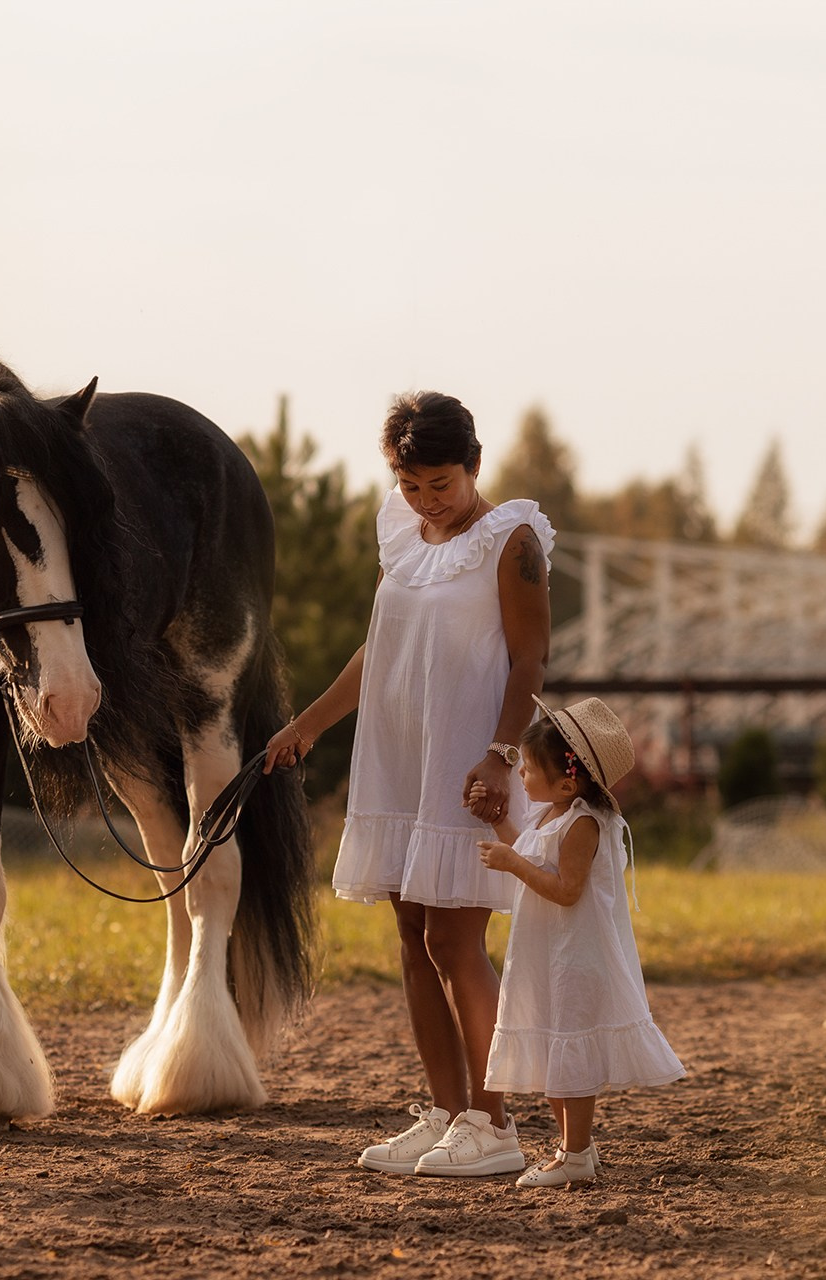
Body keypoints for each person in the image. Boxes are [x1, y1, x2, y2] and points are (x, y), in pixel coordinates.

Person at [264, 390, 554, 1177]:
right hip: (397, 756)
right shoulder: (402, 534)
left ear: (474, 465)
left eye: (441, 484)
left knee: (453, 939)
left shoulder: (511, 538)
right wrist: (310, 723)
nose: (427, 500)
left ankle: (493, 1128)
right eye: (411, 484)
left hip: (466, 759)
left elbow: (529, 658)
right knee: (411, 936)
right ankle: (447, 1112)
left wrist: (499, 754)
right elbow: (377, 651)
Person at [473, 695, 685, 1188]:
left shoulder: (583, 823)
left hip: (575, 956)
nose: (521, 777)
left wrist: (512, 865)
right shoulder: (553, 816)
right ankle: (576, 1151)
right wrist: (495, 822)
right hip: (548, 954)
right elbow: (526, 849)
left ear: (568, 782)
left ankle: (575, 1152)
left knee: (571, 1052)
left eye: (527, 770)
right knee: (554, 1051)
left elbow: (567, 891)